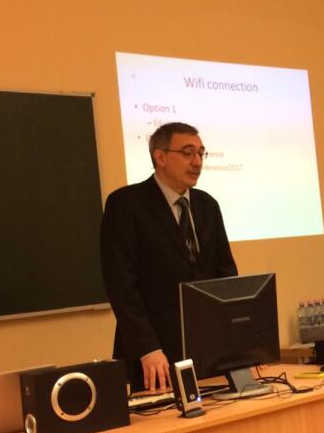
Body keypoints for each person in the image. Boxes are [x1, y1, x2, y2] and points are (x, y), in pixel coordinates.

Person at [101, 122, 238, 392]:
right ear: (160, 157)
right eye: (188, 153)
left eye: (201, 153)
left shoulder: (207, 205)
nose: (197, 162)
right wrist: (148, 348)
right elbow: (121, 286)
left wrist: (239, 345)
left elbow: (226, 277)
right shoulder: (126, 204)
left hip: (207, 355)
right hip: (153, 360)